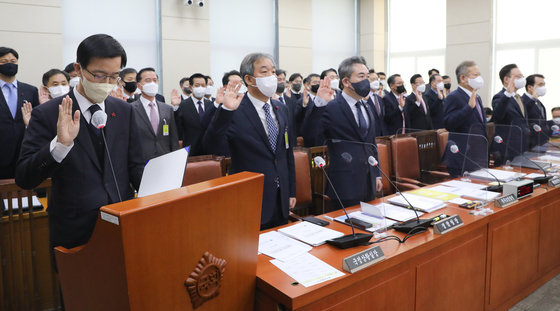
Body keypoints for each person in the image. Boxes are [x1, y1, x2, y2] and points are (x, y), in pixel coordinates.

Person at [15, 34, 144, 250]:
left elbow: (135, 165)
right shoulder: (47, 114)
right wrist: (59, 147)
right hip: (76, 231)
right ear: (79, 68)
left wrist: (161, 195)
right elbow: (24, 177)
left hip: (123, 223)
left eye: (114, 77)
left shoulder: (124, 111)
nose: (107, 84)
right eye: (99, 75)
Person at [203, 52, 296, 230]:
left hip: (281, 196)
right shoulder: (235, 109)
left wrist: (291, 190)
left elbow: (287, 153)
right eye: (264, 72)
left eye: (273, 72)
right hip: (252, 197)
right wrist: (226, 111)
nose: (272, 77)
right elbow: (212, 145)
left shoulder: (281, 108)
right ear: (249, 79)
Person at [305, 56, 382, 208]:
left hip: (369, 180)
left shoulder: (367, 106)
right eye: (361, 76)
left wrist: (377, 173)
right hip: (345, 182)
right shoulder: (332, 106)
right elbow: (311, 136)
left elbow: (371, 142)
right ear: (346, 82)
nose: (366, 81)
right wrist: (320, 104)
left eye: (367, 76)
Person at [0, 47, 39, 179]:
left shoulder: (30, 90)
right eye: (4, 61)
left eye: (13, 61)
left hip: (25, 152)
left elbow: (37, 121)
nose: (9, 64)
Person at [443, 60, 487, 176]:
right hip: (462, 155)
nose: (479, 78)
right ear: (463, 78)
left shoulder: (477, 97)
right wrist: (468, 108)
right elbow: (448, 123)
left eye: (479, 75)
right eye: (475, 75)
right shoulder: (453, 97)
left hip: (478, 154)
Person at [131, 67, 179, 162]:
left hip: (165, 160)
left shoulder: (167, 109)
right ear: (139, 85)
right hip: (141, 162)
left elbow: (173, 140)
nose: (152, 83)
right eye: (147, 80)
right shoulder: (130, 109)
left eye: (155, 80)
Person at [492, 64, 530, 161]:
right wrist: (507, 95)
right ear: (506, 79)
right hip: (507, 149)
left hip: (521, 146)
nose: (522, 79)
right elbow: (498, 115)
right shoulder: (500, 97)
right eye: (518, 77)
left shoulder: (518, 98)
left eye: (522, 76)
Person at [174, 73, 212, 156]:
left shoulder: (210, 104)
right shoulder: (183, 105)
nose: (200, 88)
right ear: (191, 88)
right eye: (197, 85)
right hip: (191, 150)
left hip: (209, 150)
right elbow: (176, 127)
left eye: (203, 85)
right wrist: (175, 108)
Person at [299, 73, 326, 146]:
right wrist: (304, 105)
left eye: (319, 82)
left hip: (323, 136)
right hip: (308, 137)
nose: (317, 84)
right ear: (308, 84)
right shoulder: (301, 100)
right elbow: (298, 118)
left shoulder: (324, 99)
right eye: (314, 82)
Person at [366, 71, 387, 136]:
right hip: (370, 134)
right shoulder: (363, 98)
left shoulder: (379, 98)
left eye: (377, 79)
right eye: (373, 79)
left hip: (382, 133)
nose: (376, 82)